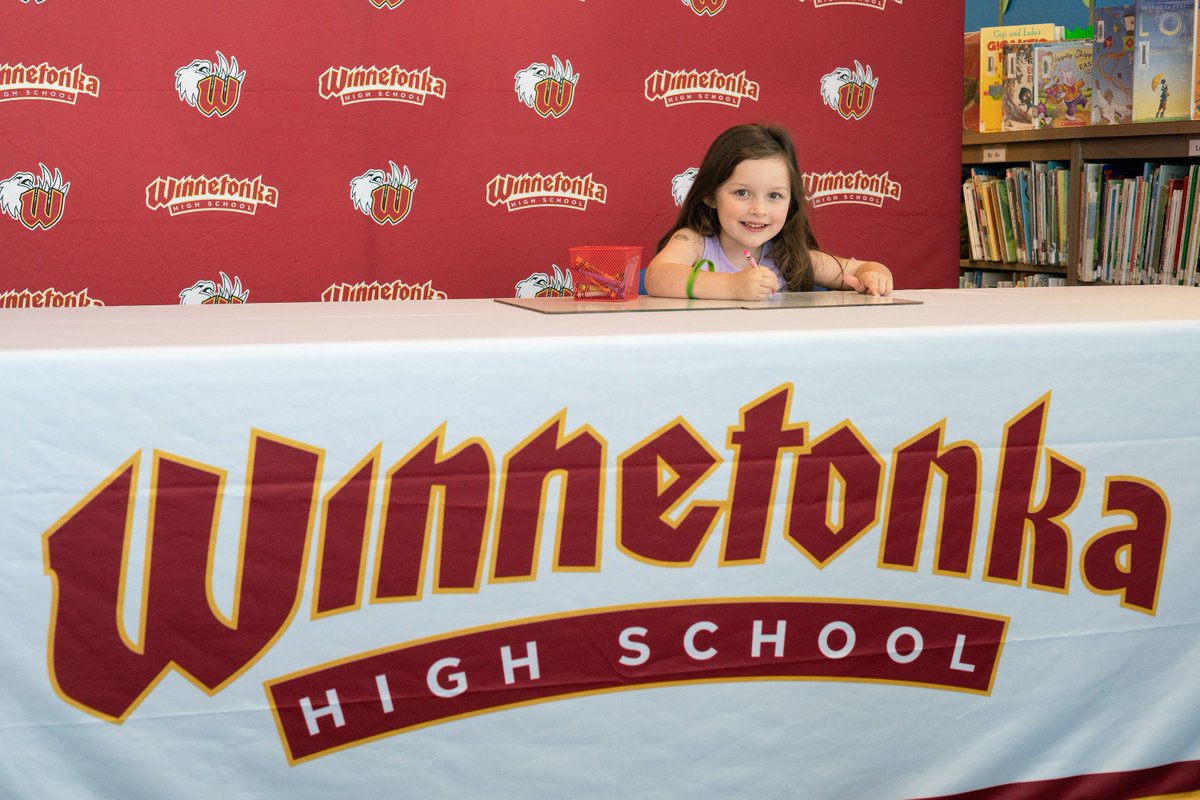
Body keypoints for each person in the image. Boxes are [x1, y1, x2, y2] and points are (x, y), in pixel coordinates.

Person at [644, 123, 893, 300]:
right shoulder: (695, 242)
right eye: (742, 193)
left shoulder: (790, 257)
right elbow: (657, 276)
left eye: (774, 196)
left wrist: (874, 276)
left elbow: (861, 269)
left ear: (791, 202)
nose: (759, 209)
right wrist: (732, 286)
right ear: (710, 195)